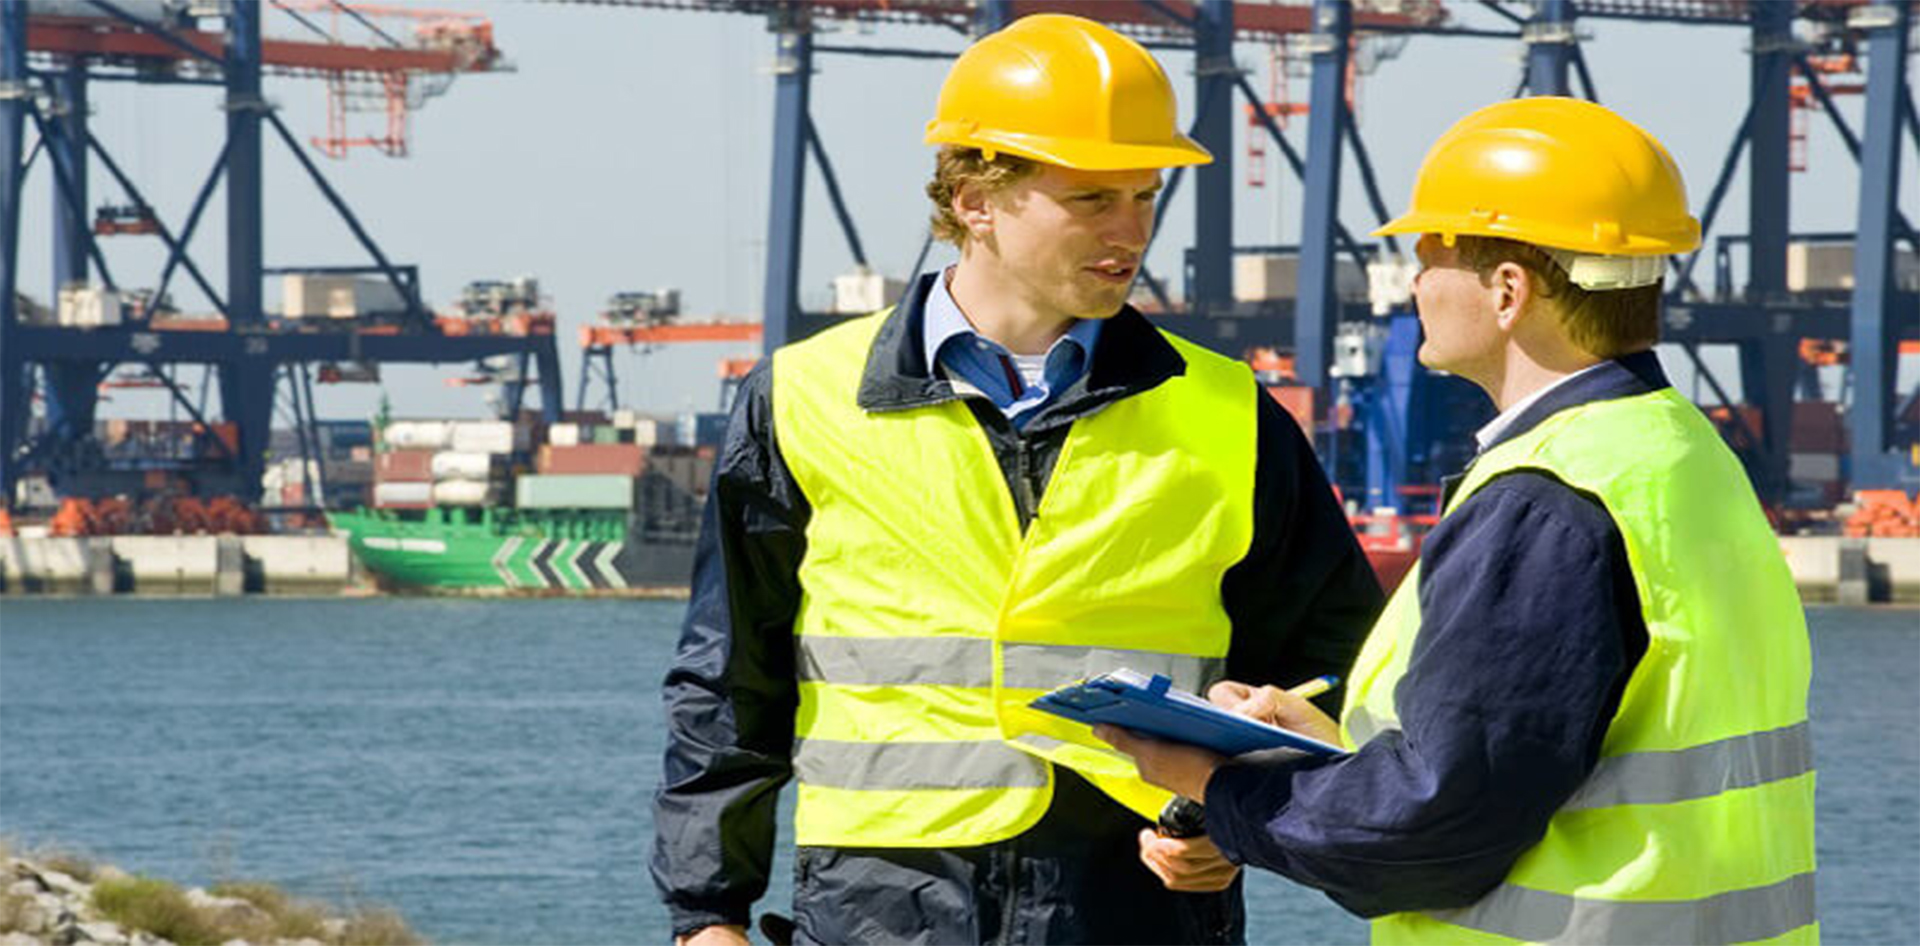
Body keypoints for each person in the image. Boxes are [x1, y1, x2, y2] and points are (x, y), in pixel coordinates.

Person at [651, 14, 1383, 946]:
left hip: (1139, 903)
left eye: (1145, 196)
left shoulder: (1231, 414)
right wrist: (706, 913)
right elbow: (727, 678)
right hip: (880, 909)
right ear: (974, 200)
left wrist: (1240, 819)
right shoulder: (801, 399)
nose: (1131, 231)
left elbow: (1334, 663)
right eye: (1091, 199)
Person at [1101, 96, 1820, 945]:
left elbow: (1431, 831)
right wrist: (1330, 750)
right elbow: (1548, 757)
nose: (1415, 285)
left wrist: (1217, 787)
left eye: (1428, 257)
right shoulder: (1680, 454)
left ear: (1508, 290)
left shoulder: (1544, 503)